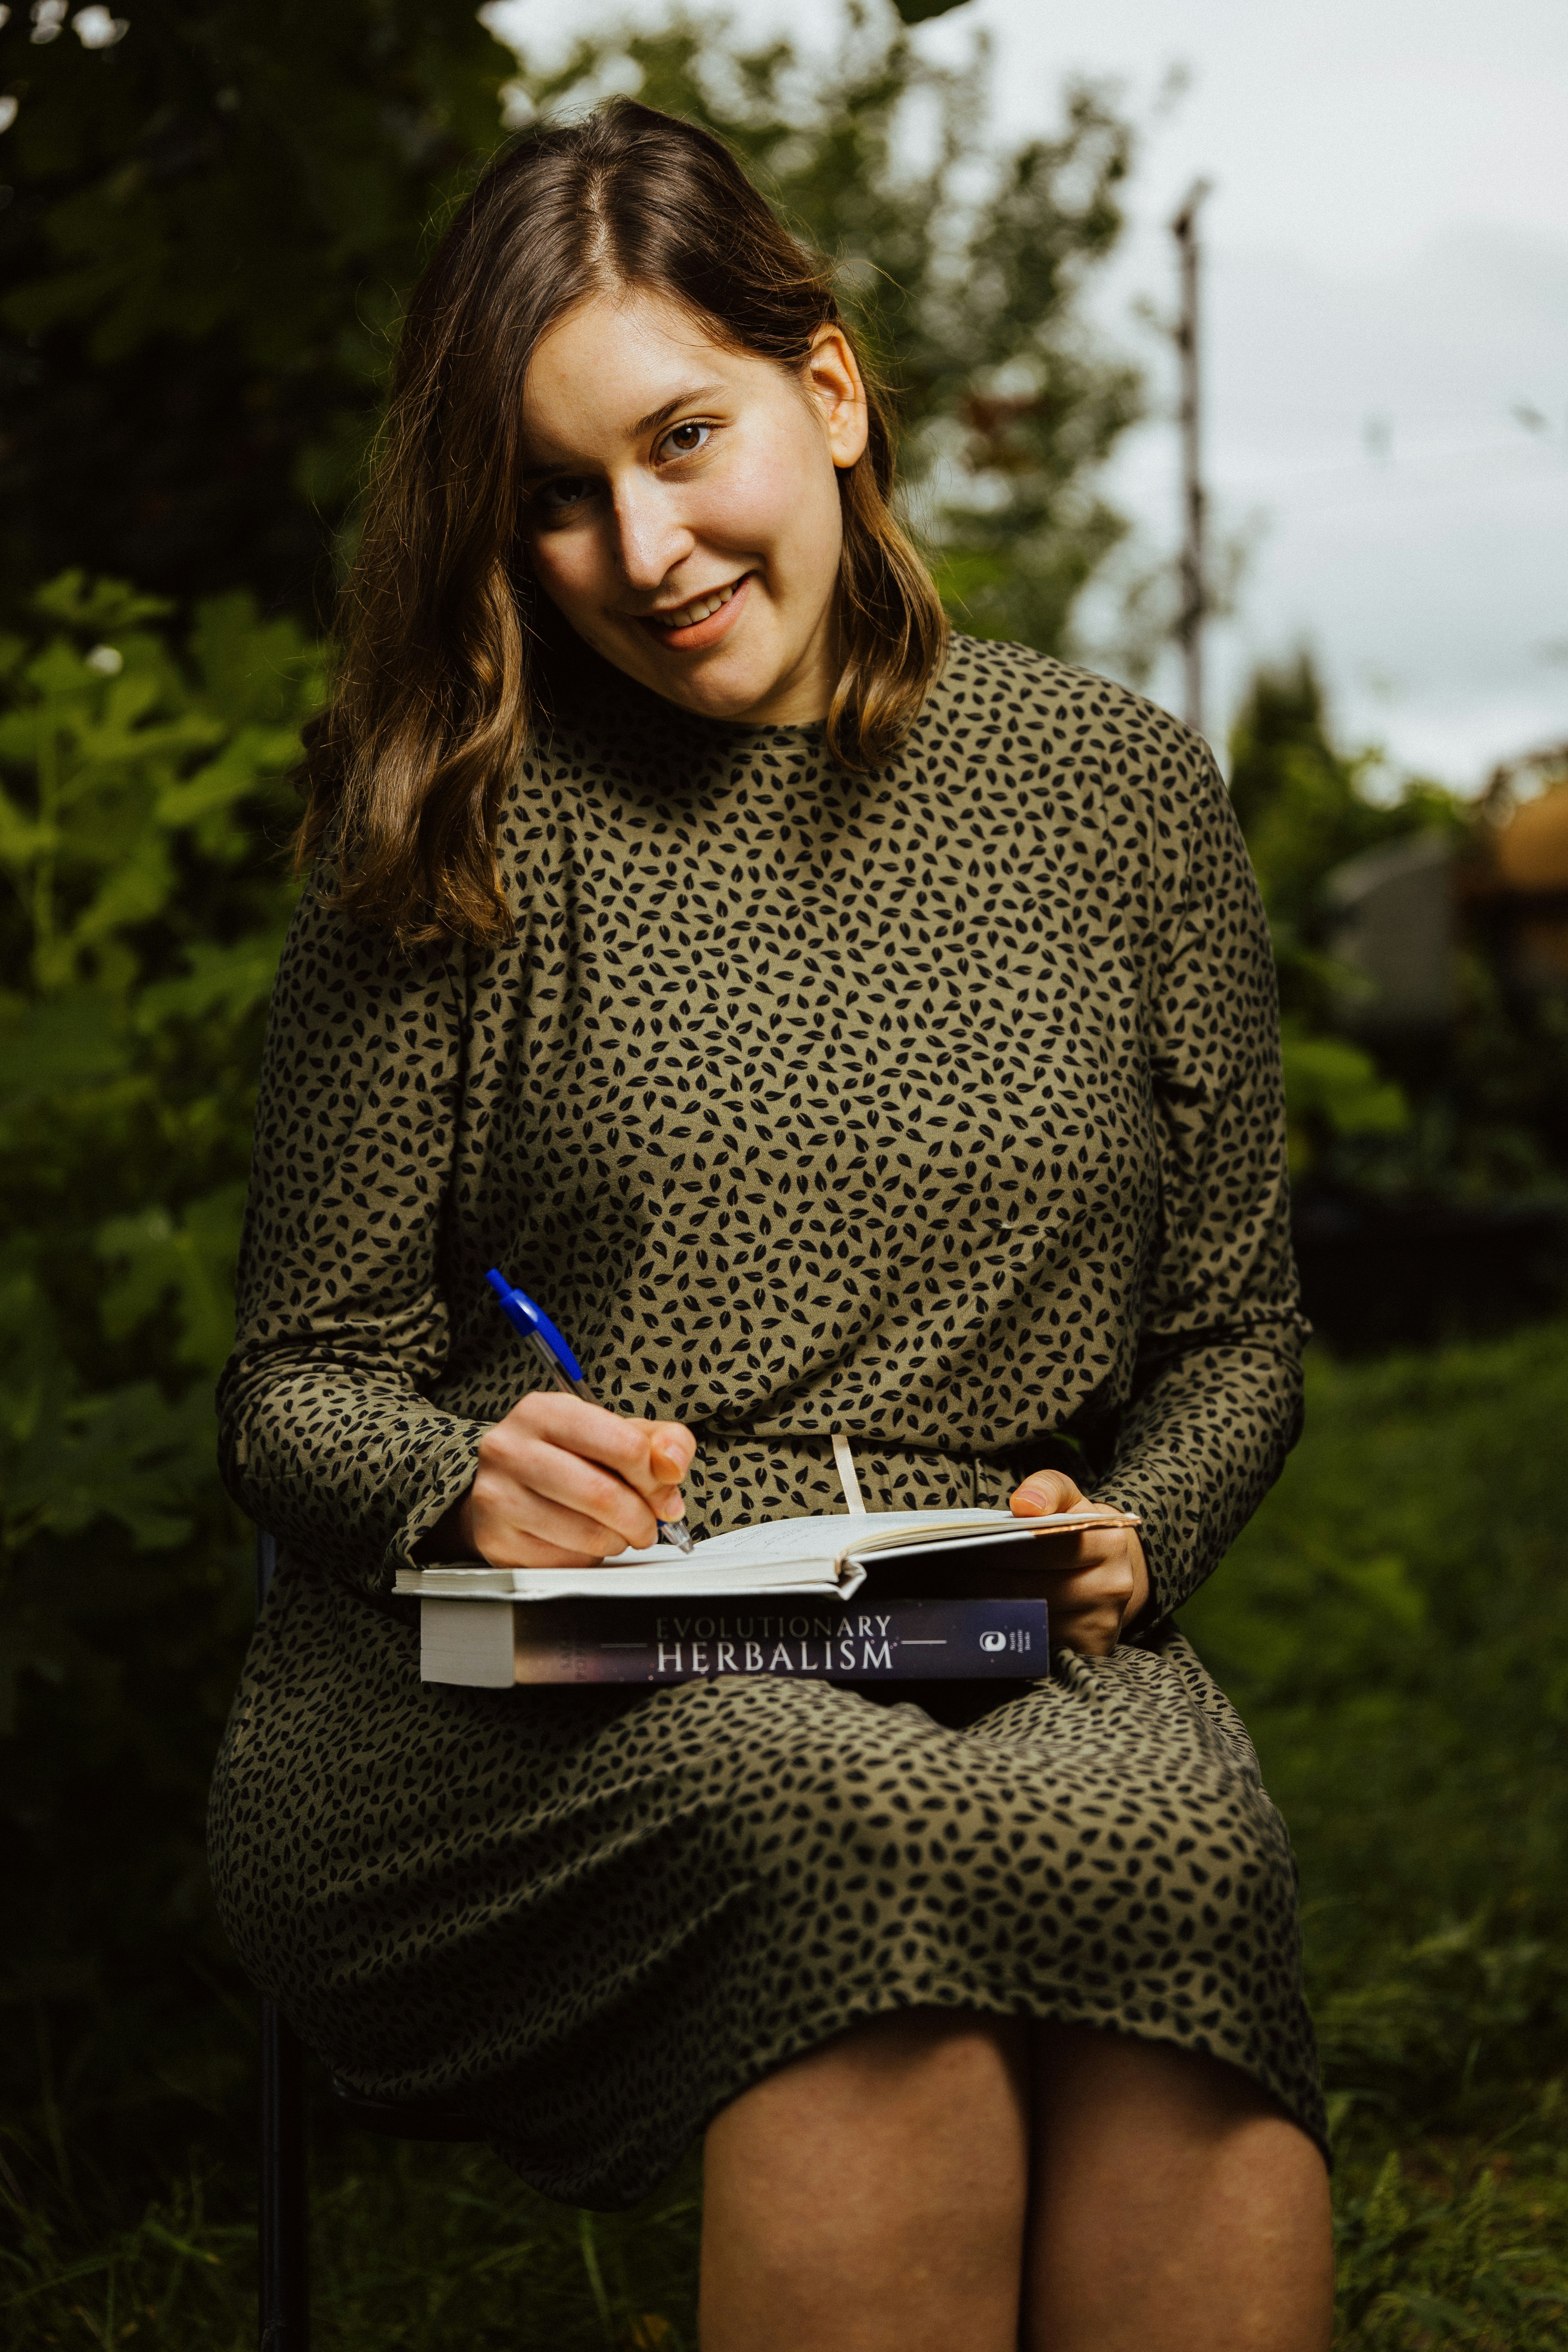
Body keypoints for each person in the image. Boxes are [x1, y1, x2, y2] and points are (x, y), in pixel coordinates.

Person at [209, 99, 1334, 2352]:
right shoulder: (456, 830)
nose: (641, 543)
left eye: (682, 437)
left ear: (827, 394)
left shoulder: (1116, 794)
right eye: (553, 492)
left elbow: (1237, 1341)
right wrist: (463, 1474)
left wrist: (1135, 1531)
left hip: (992, 1620)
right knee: (855, 1838)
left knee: (1188, 1856)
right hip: (535, 1656)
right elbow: (289, 1388)